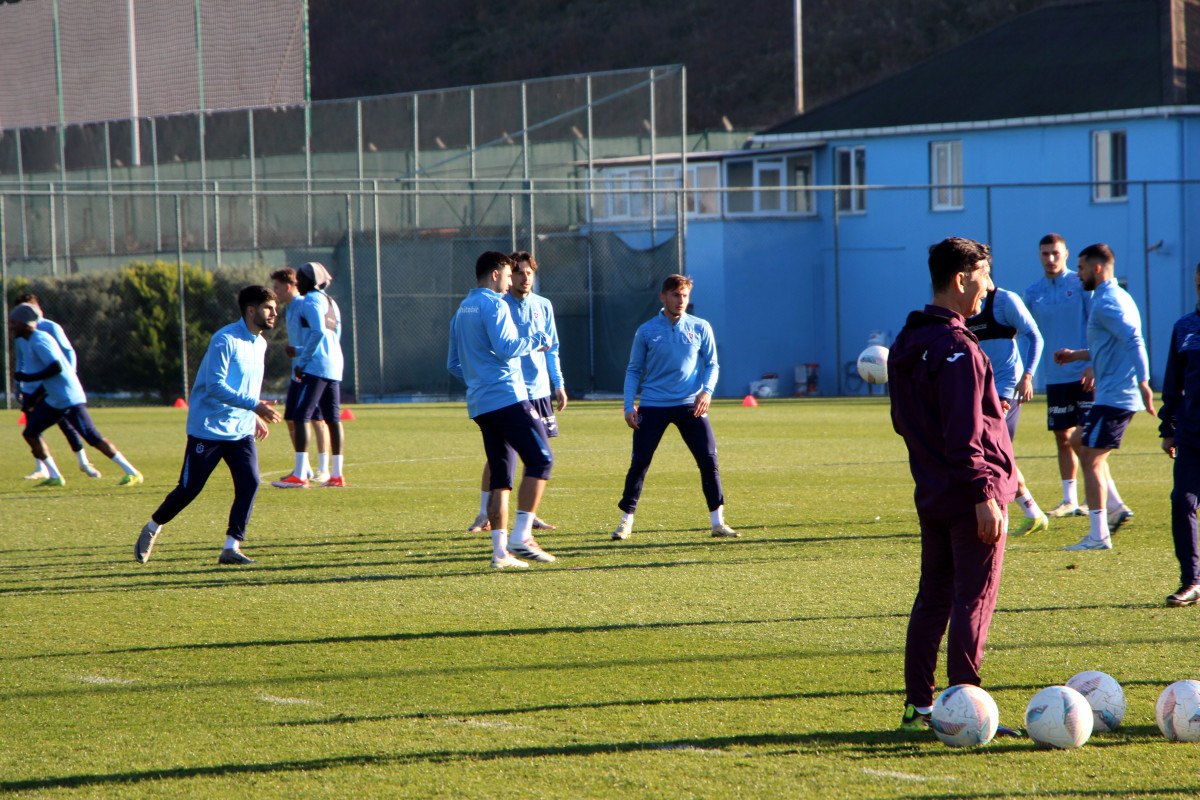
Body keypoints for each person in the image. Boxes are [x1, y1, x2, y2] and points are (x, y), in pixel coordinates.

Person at [889, 237, 1017, 733]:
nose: (990, 287)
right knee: (973, 598)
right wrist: (985, 493)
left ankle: (918, 707)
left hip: (933, 492)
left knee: (934, 597)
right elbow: (965, 438)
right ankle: (969, 710)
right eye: (985, 276)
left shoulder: (908, 342)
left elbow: (906, 422)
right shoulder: (958, 348)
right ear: (961, 279)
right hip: (969, 498)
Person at [134, 286, 283, 565]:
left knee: (249, 483)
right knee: (189, 489)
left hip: (239, 430)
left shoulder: (260, 343)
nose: (275, 313)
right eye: (268, 308)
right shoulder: (224, 339)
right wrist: (254, 406)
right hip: (209, 429)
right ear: (251, 311)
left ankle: (231, 547)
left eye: (275, 308)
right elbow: (215, 386)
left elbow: (245, 386)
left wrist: (253, 415)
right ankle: (153, 526)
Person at [448, 251, 557, 569]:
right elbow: (509, 347)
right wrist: (538, 338)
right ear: (495, 274)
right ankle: (521, 536)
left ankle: (499, 553)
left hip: (481, 403)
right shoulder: (494, 304)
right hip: (507, 397)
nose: (512, 282)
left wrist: (478, 380)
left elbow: (453, 363)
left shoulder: (462, 308)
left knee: (502, 477)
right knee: (542, 459)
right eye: (510, 275)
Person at [612, 274, 738, 540]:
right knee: (640, 463)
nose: (681, 300)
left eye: (685, 295)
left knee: (708, 461)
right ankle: (625, 522)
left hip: (690, 405)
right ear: (663, 297)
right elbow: (634, 369)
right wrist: (628, 405)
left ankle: (718, 522)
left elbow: (712, 364)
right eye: (676, 295)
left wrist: (707, 392)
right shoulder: (646, 330)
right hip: (653, 405)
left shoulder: (701, 327)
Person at [1054, 243, 1153, 551]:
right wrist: (1077, 356)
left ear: (1096, 268)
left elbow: (1133, 339)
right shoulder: (1117, 296)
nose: (1078, 274)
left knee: (1092, 460)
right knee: (1078, 441)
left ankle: (1099, 534)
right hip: (1110, 394)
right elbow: (1110, 345)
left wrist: (1145, 381)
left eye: (1081, 268)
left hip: (1116, 397)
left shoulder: (1107, 301)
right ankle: (1116, 507)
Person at [467, 251, 566, 534]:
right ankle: (484, 513)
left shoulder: (543, 305)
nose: (523, 278)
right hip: (509, 392)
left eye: (528, 273)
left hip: (539, 390)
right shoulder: (497, 303)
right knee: (502, 455)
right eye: (518, 273)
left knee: (534, 453)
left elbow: (553, 348)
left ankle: (529, 513)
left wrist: (557, 383)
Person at [8, 303, 143, 488]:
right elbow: (50, 376)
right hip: (55, 399)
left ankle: (132, 472)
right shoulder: (29, 340)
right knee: (30, 432)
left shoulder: (39, 340)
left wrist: (27, 377)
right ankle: (55, 476)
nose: (11, 326)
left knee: (92, 437)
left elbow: (56, 367)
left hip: (68, 397)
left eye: (14, 322)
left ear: (25, 323)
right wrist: (33, 398)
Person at [1024, 234, 1100, 517]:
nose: (1050, 259)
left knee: (1088, 438)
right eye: (1045, 254)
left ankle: (1104, 496)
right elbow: (1027, 336)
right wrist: (1026, 372)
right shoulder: (1033, 293)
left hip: (1084, 373)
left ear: (1066, 254)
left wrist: (1092, 361)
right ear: (1039, 256)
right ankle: (1070, 499)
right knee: (1063, 437)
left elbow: (1095, 324)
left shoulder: (1080, 284)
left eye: (1055, 253)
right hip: (1055, 375)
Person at [965, 285, 1047, 536]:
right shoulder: (962, 305)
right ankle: (1032, 512)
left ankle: (1004, 513)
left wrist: (1028, 376)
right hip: (977, 388)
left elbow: (1034, 336)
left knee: (992, 451)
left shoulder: (1004, 301)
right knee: (996, 453)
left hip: (1004, 387)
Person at [273, 262, 347, 488]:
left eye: (302, 279)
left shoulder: (313, 300)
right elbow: (334, 335)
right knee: (333, 419)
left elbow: (317, 332)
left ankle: (300, 475)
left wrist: (302, 359)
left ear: (310, 282)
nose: (298, 283)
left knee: (301, 415)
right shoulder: (331, 301)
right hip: (334, 364)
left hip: (316, 366)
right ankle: (336, 475)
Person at [13, 293, 102, 480]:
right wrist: (19, 386)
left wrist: (67, 379)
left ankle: (83, 462)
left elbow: (67, 353)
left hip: (53, 387)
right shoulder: (20, 333)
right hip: (32, 389)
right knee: (32, 430)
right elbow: (21, 361)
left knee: (67, 425)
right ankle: (44, 469)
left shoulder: (49, 327)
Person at [1157, 263, 1200, 606]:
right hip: (1191, 433)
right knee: (1182, 502)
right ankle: (1191, 582)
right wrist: (1167, 427)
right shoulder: (1184, 327)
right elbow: (1173, 383)